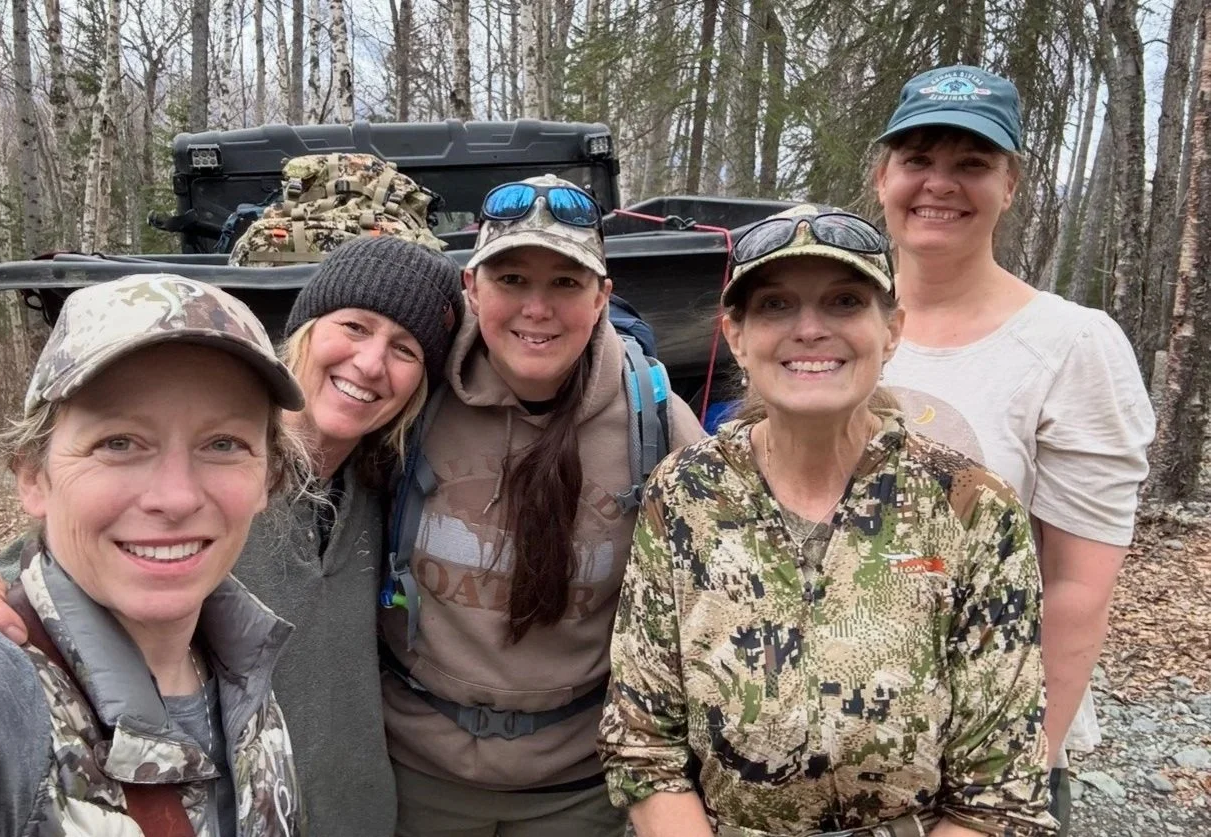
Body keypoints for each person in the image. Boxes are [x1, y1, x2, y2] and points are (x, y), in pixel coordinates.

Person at [0, 236, 465, 836]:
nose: (370, 363)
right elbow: (28, 586)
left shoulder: (389, 492)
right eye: (354, 326)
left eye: (406, 349)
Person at [597, 205, 1058, 837]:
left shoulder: (971, 509)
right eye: (776, 306)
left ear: (891, 329)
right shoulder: (684, 494)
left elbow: (1000, 792)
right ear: (735, 334)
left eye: (844, 302)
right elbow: (643, 742)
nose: (810, 329)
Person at [869, 64, 1156, 832]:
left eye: (972, 164)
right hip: (829, 747)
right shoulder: (827, 325)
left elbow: (1076, 592)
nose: (940, 184)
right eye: (919, 160)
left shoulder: (1070, 345)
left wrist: (1005, 789)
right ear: (882, 175)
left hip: (981, 751)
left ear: (1011, 184)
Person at [0, 274, 310, 834]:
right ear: (34, 477)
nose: (175, 497)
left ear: (267, 479)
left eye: (223, 444)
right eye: (118, 443)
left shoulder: (240, 658)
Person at [377, 174, 706, 836]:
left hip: (580, 790)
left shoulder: (655, 422)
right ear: (471, 287)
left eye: (565, 282)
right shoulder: (410, 397)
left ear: (601, 298)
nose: (537, 307)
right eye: (512, 280)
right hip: (416, 776)